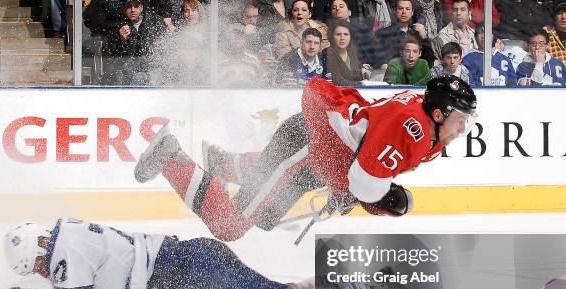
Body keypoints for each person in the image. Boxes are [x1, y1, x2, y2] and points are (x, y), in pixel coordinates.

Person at [134, 75, 477, 242]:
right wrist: (371, 198)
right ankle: (170, 158)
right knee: (232, 226)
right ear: (439, 113)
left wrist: (352, 189)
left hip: (316, 153)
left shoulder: (425, 126)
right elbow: (364, 180)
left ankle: (224, 163)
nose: (463, 129)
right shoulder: (412, 128)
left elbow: (362, 162)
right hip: (307, 147)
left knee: (266, 216)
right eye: (460, 119)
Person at [0, 219, 426, 289]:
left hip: (186, 276)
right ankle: (362, 274)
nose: (44, 271)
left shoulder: (62, 250)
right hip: (188, 274)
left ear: (40, 246)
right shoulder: (68, 237)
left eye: (38, 267)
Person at [101, 0, 167, 86]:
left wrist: (159, 43)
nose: (132, 10)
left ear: (141, 8)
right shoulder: (117, 27)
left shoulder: (155, 21)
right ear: (124, 9)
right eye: (129, 7)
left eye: (136, 6)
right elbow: (115, 60)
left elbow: (165, 48)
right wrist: (122, 41)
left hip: (152, 71)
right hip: (128, 75)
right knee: (136, 77)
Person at [376, 0, 435, 68]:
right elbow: (376, 60)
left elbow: (430, 62)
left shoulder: (418, 33)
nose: (404, 12)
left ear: (412, 12)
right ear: (395, 11)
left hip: (415, 75)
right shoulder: (383, 34)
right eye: (400, 8)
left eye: (407, 9)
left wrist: (424, 37)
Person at [322, 20, 372, 86]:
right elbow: (337, 82)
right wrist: (361, 83)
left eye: (346, 34)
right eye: (338, 34)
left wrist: (362, 70)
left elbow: (352, 73)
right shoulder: (328, 53)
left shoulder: (352, 51)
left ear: (350, 36)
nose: (342, 38)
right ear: (332, 36)